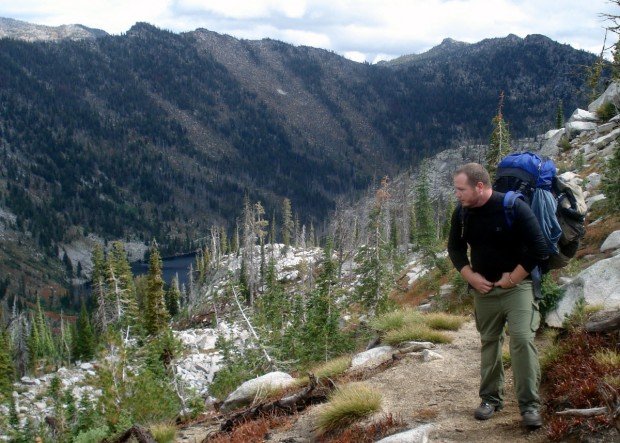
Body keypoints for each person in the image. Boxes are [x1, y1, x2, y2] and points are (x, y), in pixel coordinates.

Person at [447, 162, 549, 428]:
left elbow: (540, 248)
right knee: (489, 342)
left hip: (518, 287)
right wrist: (470, 276)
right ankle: (490, 399)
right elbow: (455, 249)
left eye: (461, 189)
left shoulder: (513, 207)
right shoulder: (462, 213)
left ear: (479, 187)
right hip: (484, 290)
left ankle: (529, 406)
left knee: (522, 340)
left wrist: (513, 277)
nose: (457, 194)